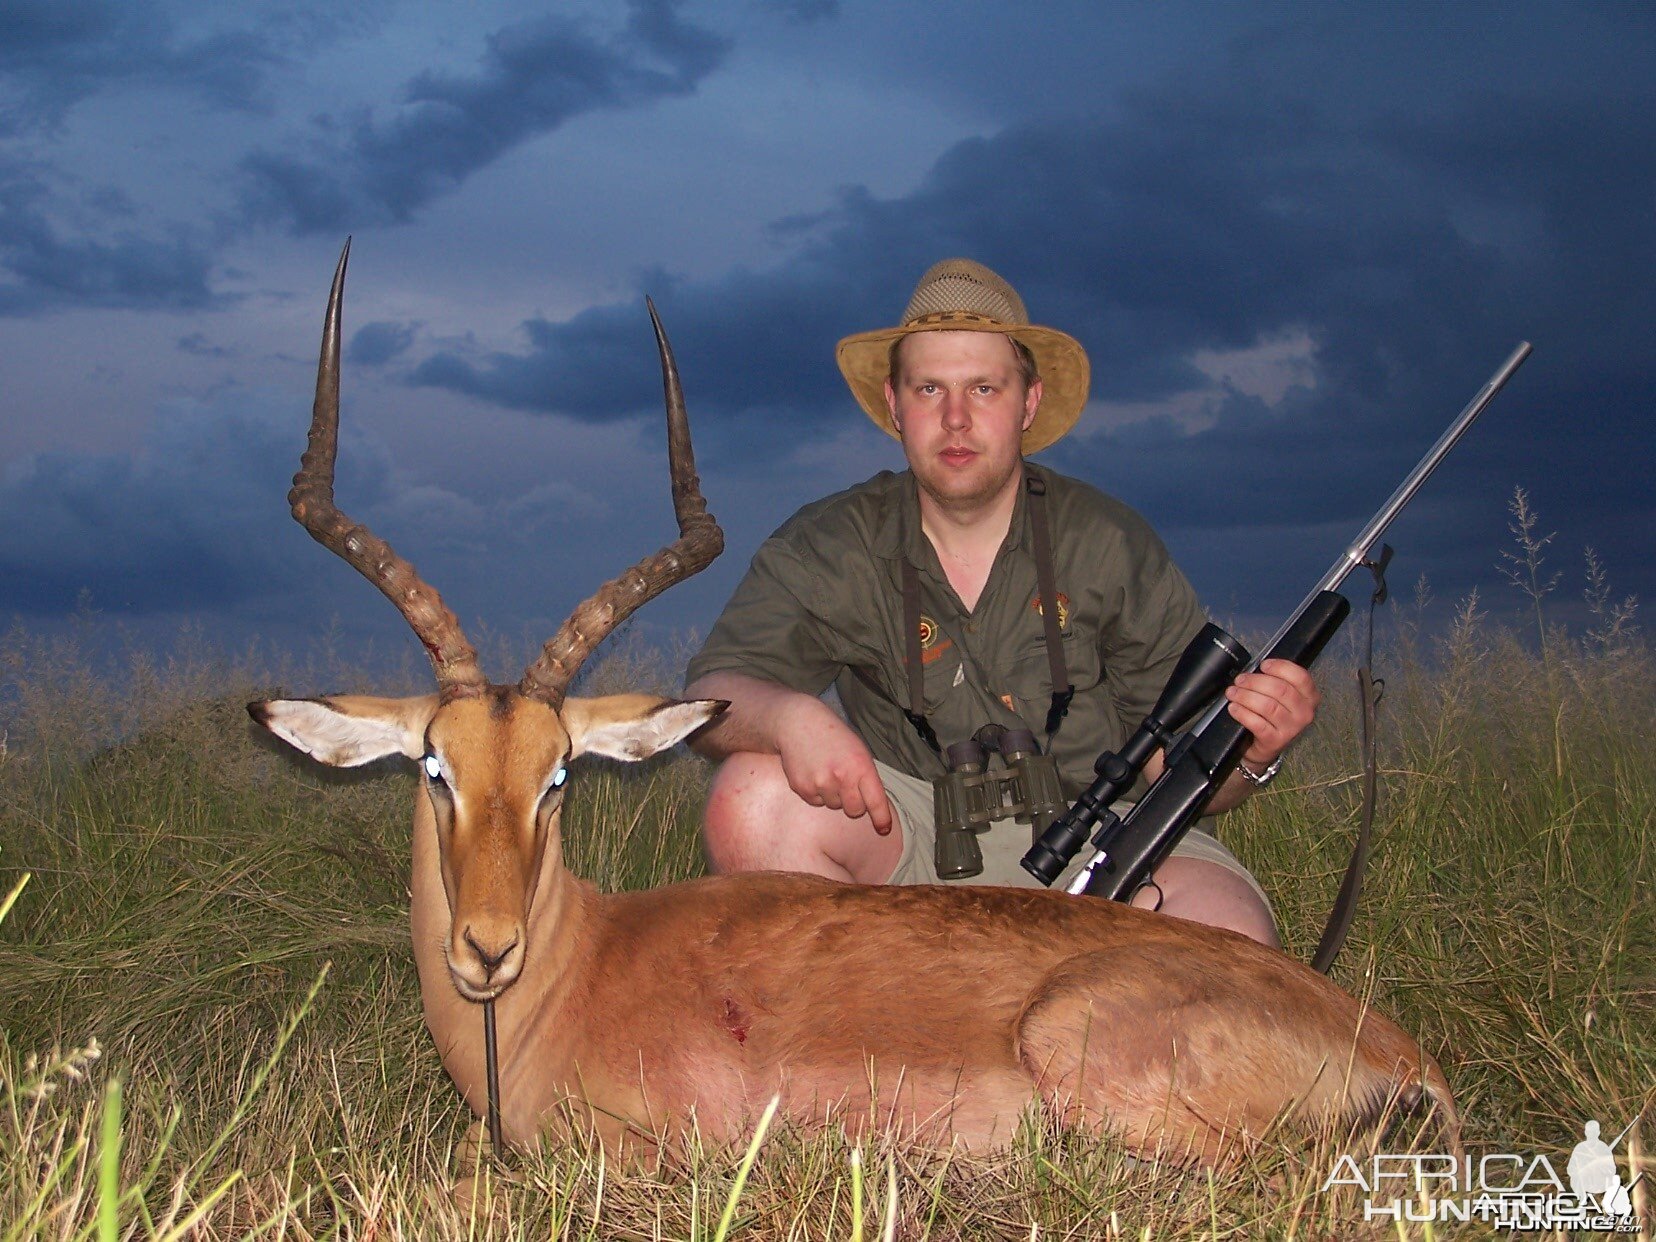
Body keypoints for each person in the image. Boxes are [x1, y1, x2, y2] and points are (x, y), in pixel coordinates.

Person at [684, 259, 1319, 947]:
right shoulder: (832, 541)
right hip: (910, 844)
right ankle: (860, 1037)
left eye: (984, 388)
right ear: (895, 406)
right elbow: (711, 697)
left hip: (1105, 839)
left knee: (1229, 934)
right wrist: (787, 717)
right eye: (930, 388)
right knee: (749, 798)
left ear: (1028, 402)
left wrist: (1252, 753)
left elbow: (1187, 775)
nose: (956, 419)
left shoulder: (1108, 540)